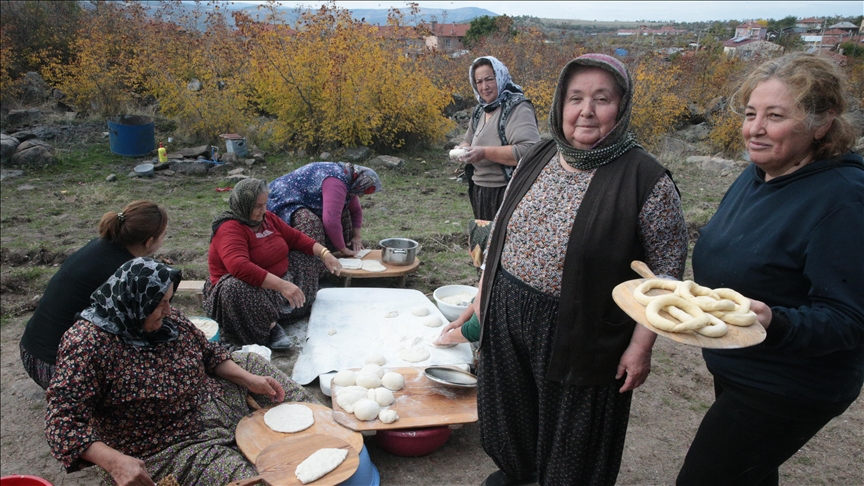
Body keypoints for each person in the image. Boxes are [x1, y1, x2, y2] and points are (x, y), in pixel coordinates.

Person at [474, 53, 688, 486]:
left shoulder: (645, 179)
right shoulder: (539, 154)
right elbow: (500, 230)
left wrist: (641, 347)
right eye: (575, 98)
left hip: (581, 333)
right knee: (513, 419)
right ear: (560, 104)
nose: (586, 111)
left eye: (601, 99)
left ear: (622, 106)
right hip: (509, 314)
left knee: (573, 441)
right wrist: (482, 296)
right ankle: (519, 476)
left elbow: (666, 276)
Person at [676, 52, 864, 486]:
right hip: (740, 364)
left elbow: (849, 319)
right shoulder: (759, 173)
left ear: (822, 123)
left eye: (775, 116)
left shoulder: (844, 200)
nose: (755, 129)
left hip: (787, 385)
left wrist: (774, 322)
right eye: (750, 114)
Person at [45, 257, 320, 485]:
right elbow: (62, 423)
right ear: (134, 303)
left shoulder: (167, 317)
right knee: (249, 477)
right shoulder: (87, 344)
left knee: (250, 362)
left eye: (169, 300)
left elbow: (208, 352)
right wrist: (115, 462)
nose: (168, 310)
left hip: (206, 399)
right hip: (166, 440)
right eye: (160, 304)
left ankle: (321, 426)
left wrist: (249, 380)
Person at [19, 200, 168, 390]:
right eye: (164, 235)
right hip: (54, 367)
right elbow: (139, 331)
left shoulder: (101, 245)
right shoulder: (123, 273)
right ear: (149, 241)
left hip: (31, 350)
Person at [205, 178, 342, 349]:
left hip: (276, 284)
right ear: (244, 205)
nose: (263, 210)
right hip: (249, 291)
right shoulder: (229, 228)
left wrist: (324, 253)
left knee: (305, 256)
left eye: (265, 204)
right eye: (258, 206)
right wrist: (282, 286)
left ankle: (294, 307)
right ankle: (269, 327)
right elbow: (239, 266)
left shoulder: (267, 218)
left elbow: (295, 238)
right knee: (234, 287)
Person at [456, 56, 541, 221]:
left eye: (489, 79)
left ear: (500, 77)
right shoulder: (480, 110)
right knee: (484, 237)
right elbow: (468, 140)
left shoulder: (517, 108)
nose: (484, 87)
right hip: (480, 191)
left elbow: (529, 151)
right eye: (479, 82)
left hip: (509, 193)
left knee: (503, 237)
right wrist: (462, 149)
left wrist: (484, 153)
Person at [267, 162, 382, 257]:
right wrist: (343, 249)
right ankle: (317, 261)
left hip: (303, 199)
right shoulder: (336, 182)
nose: (361, 196)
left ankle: (333, 253)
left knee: (345, 213)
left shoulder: (350, 181)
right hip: (283, 199)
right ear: (360, 184)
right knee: (309, 221)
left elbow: (355, 211)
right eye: (363, 192)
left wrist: (357, 237)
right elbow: (331, 221)